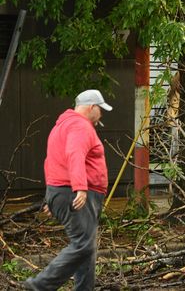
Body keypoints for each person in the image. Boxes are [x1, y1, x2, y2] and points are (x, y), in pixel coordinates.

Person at [25, 89, 113, 290]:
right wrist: (80, 187)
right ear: (92, 107)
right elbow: (75, 154)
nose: (101, 115)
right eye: (101, 110)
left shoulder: (63, 125)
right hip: (77, 193)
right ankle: (40, 285)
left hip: (63, 190)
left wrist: (52, 196)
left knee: (87, 247)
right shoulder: (80, 126)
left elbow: (52, 161)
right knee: (83, 245)